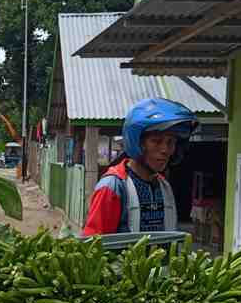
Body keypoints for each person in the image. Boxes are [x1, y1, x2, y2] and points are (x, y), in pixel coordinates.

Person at [82, 98, 199, 236]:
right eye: (156, 141)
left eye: (170, 142)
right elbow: (93, 245)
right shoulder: (113, 187)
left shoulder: (163, 186)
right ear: (137, 143)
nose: (165, 149)